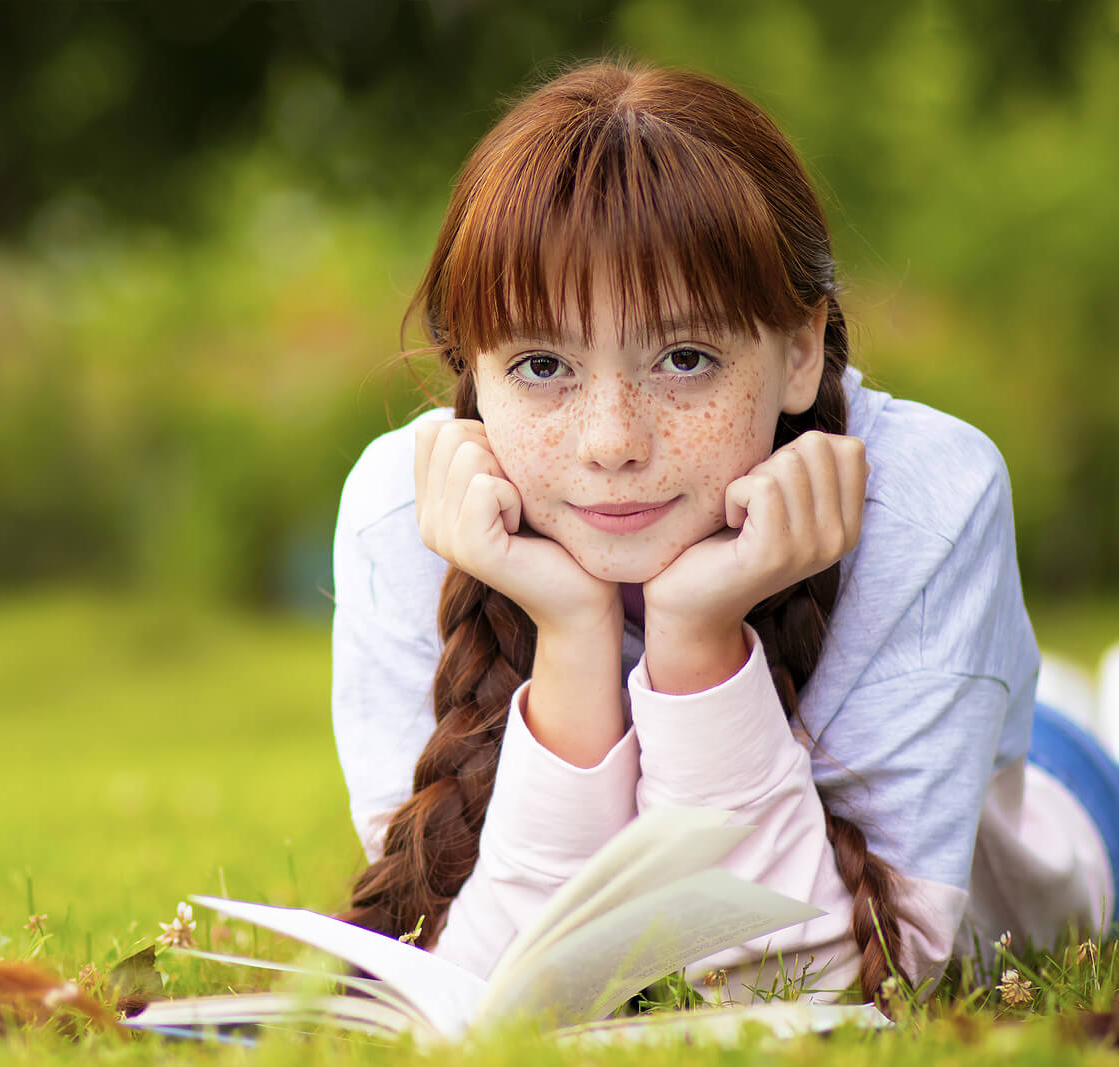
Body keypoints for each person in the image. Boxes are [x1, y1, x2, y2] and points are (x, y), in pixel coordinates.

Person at [329, 59, 1116, 1006]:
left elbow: (822, 989)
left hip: (1058, 811)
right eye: (543, 365)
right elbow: (476, 988)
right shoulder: (405, 512)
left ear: (799, 350)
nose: (613, 441)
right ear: (474, 370)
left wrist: (699, 639)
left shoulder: (929, 499)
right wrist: (575, 635)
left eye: (685, 357)